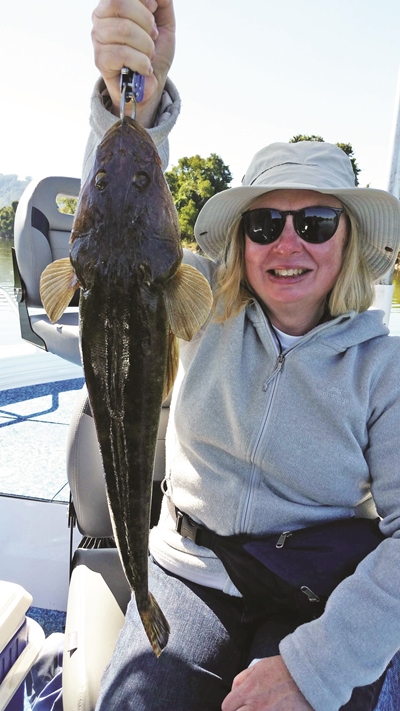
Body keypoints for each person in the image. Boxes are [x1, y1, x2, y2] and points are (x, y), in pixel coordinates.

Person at [85, 2, 400, 710]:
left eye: (315, 222)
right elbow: (117, 224)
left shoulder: (385, 371)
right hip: (190, 569)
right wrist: (130, 97)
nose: (288, 244)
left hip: (315, 589)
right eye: (264, 223)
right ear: (241, 239)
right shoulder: (194, 299)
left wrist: (313, 668)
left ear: (349, 239)